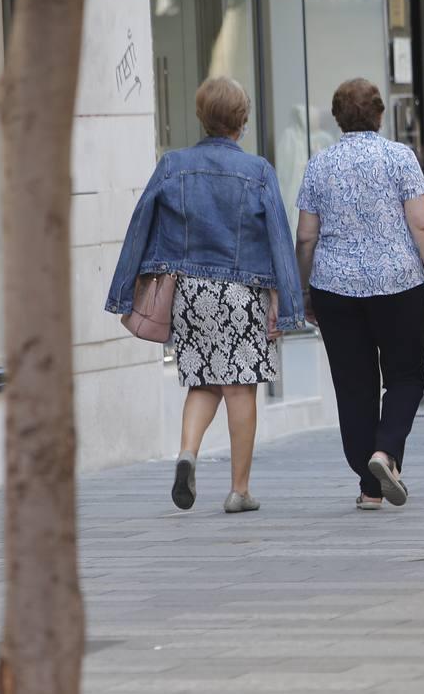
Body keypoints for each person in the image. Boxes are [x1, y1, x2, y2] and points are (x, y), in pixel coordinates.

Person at [106, 77, 302, 513]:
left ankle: (187, 454)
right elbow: (278, 240)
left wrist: (125, 291)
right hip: (241, 292)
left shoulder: (173, 165)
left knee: (202, 380)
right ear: (242, 121)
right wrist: (288, 306)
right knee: (239, 387)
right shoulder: (258, 171)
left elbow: (140, 225)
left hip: (189, 292)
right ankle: (239, 489)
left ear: (201, 116)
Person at [295, 79, 424, 510]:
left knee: (353, 385)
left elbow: (306, 236)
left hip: (335, 290)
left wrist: (304, 289)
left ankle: (369, 486)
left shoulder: (319, 164)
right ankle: (385, 452)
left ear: (337, 117)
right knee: (405, 375)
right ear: (380, 114)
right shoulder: (400, 157)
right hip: (398, 285)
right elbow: (423, 225)